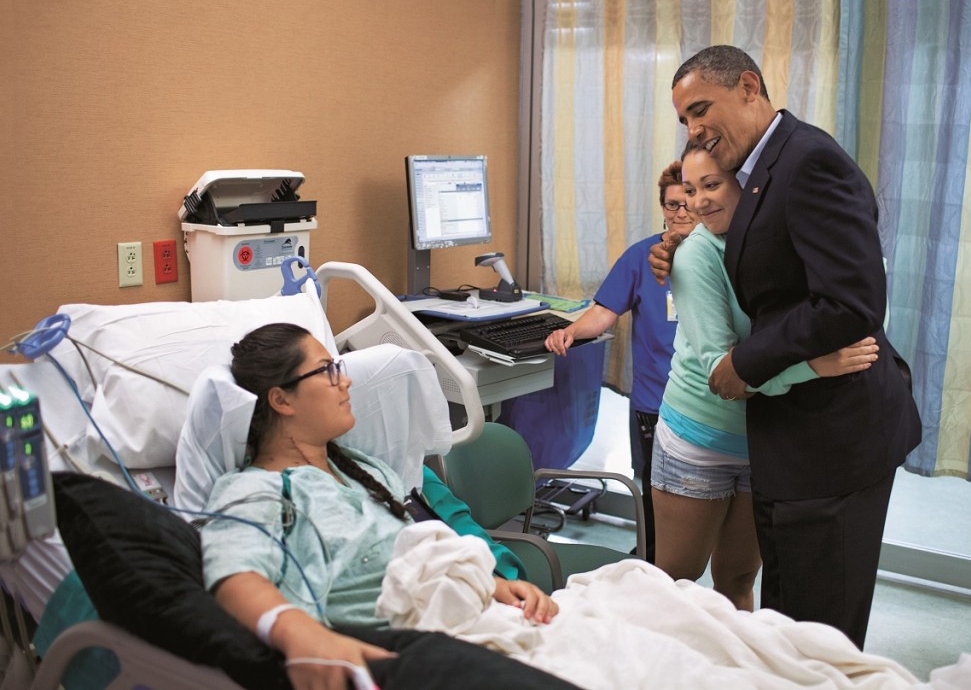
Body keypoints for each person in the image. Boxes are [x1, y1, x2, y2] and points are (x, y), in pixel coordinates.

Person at [651, 45, 921, 649]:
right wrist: (679, 247)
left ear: (749, 86)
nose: (694, 130)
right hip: (789, 438)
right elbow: (767, 265)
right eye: (684, 122)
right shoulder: (762, 172)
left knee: (813, 634)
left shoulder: (807, 162)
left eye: (701, 109)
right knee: (788, 622)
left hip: (832, 441)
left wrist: (746, 366)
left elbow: (851, 302)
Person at [200, 323, 566, 690]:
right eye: (328, 371)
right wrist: (301, 636)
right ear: (282, 400)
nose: (346, 382)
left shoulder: (364, 469)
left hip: (463, 621)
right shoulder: (255, 491)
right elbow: (235, 575)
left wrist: (491, 586)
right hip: (399, 651)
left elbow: (418, 560)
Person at [653, 142, 880, 612]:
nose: (697, 202)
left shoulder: (779, 245)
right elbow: (723, 371)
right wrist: (814, 366)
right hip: (703, 435)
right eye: (690, 190)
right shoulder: (696, 256)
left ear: (749, 185)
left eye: (711, 185)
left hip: (769, 437)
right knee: (672, 582)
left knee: (738, 579)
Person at [544, 160, 696, 562]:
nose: (680, 212)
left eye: (688, 202)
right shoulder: (641, 257)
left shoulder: (722, 256)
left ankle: (676, 560)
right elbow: (604, 311)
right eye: (671, 204)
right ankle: (651, 559)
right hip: (654, 403)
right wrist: (572, 331)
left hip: (707, 404)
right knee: (651, 489)